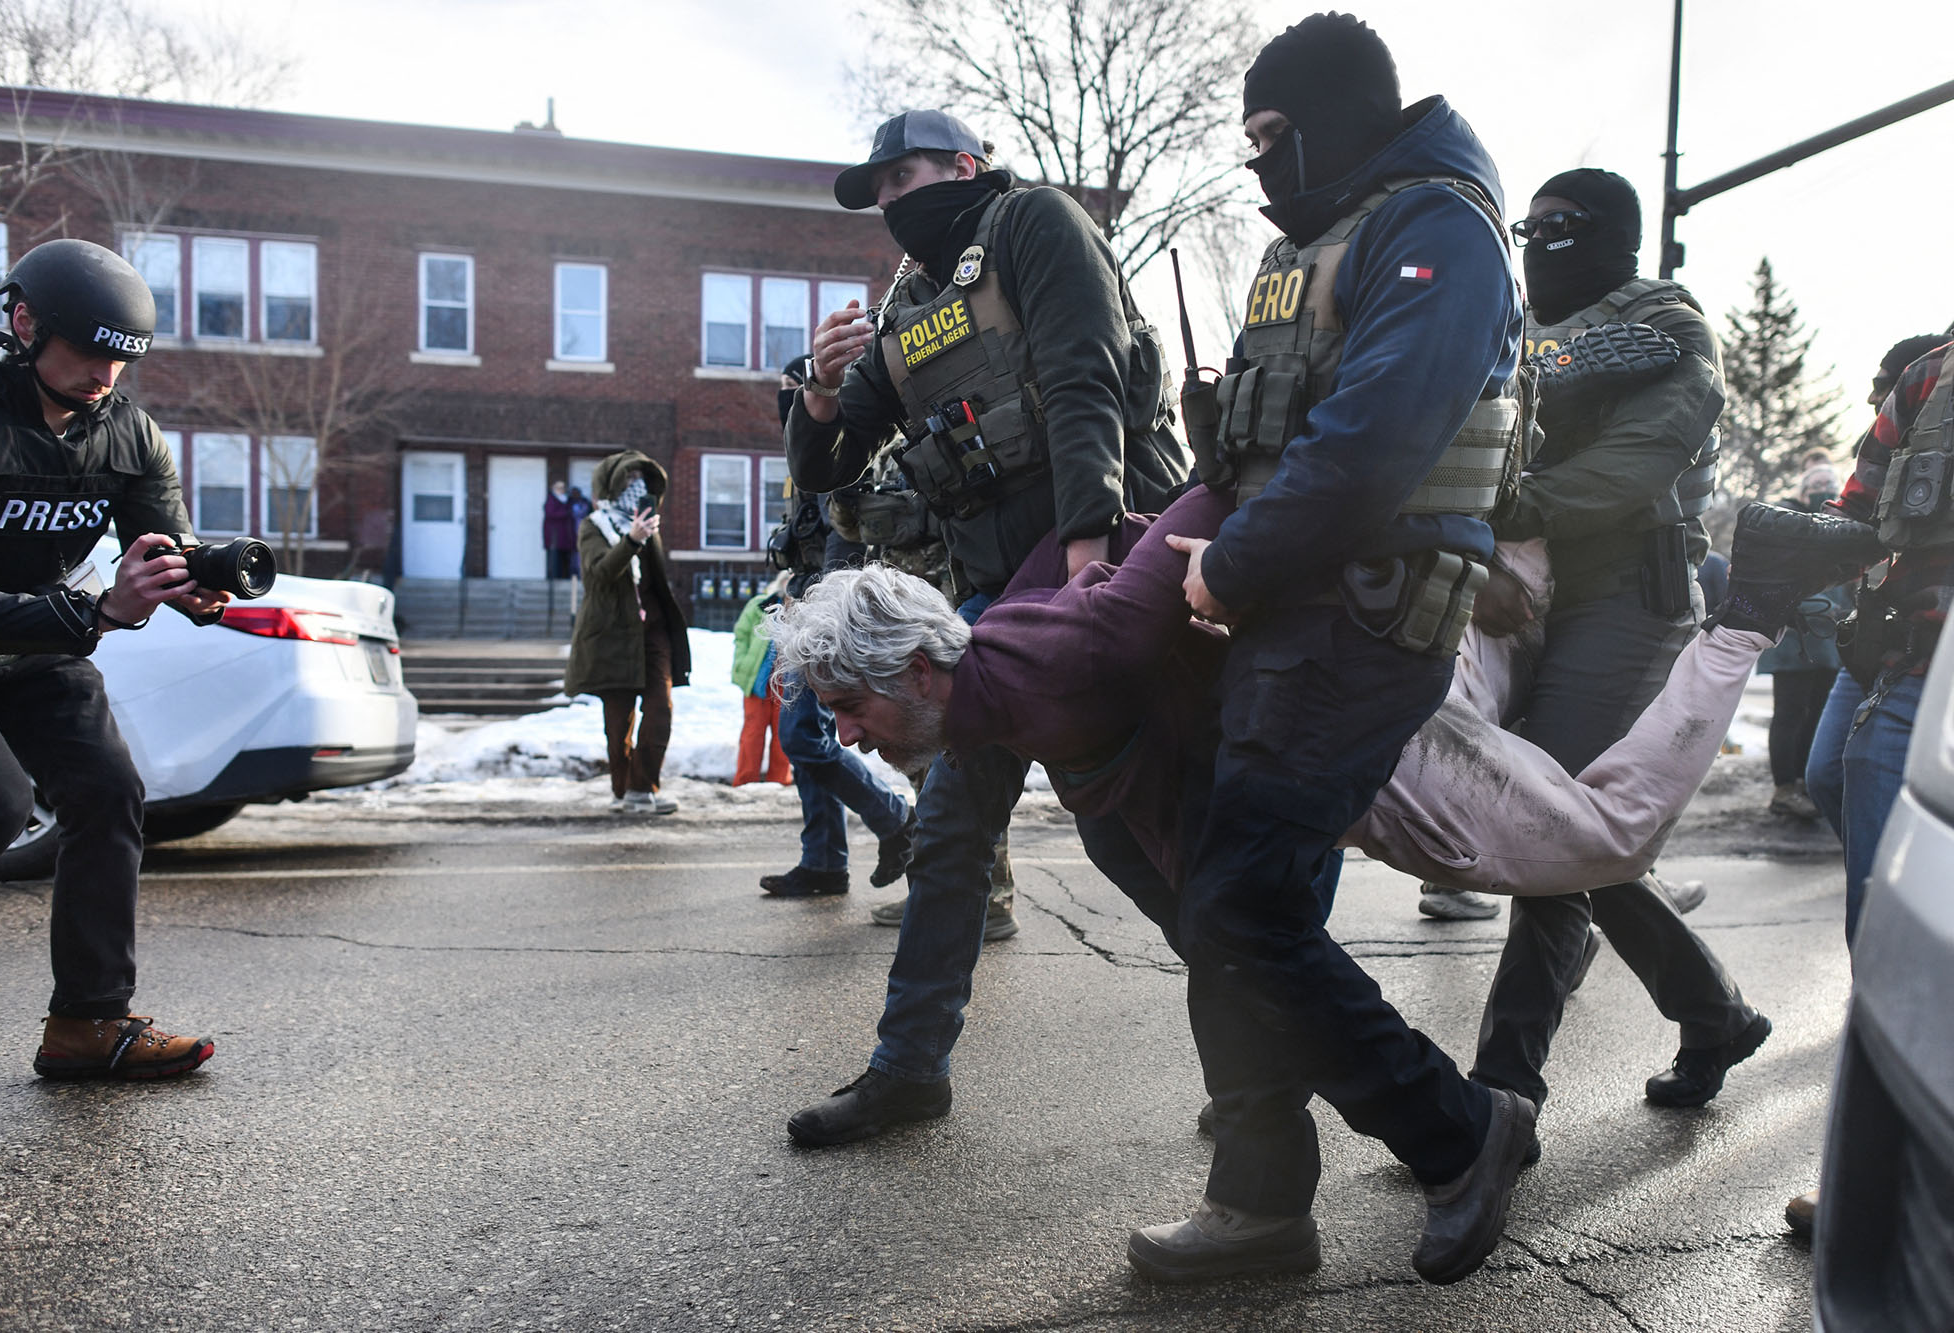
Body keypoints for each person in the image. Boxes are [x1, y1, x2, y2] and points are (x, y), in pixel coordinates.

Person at [768, 490, 1876, 1279]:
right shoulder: (989, 691)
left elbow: (1192, 519)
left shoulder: (1067, 657)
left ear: (915, 671)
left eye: (846, 709)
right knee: (1231, 937)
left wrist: (1241, 510)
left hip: (1367, 745)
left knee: (1600, 843)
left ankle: (1746, 607)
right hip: (1301, 743)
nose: (848, 739)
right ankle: (1268, 1203)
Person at [1128, 13, 1538, 1285]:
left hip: (1360, 616)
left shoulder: (1438, 227)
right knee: (1236, 895)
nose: (1255, 164)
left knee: (1239, 908)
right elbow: (1271, 442)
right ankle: (1258, 1205)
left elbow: (1370, 445)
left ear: (1333, 115)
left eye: (1268, 135)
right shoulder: (1311, 246)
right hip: (1282, 616)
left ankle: (1462, 1128)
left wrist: (1230, 565)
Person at [782, 108, 1187, 1143]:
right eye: (875, 190)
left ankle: (1265, 1049)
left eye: (903, 176)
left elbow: (1082, 375)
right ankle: (907, 1068)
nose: (889, 202)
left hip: (1106, 557)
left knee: (1134, 836)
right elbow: (826, 465)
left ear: (962, 166)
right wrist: (821, 397)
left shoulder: (1031, 226)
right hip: (990, 595)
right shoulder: (910, 305)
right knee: (953, 825)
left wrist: (1093, 555)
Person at [1434, 168, 1769, 1131]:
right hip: (1526, 590)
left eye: (1562, 226)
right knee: (1583, 835)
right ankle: (1715, 1014)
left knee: (1551, 820)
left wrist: (1518, 503)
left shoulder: (1668, 322)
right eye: (1526, 226)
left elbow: (1640, 460)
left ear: (1614, 238)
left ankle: (1503, 1089)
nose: (1538, 241)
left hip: (1629, 590)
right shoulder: (1513, 328)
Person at [0, 238, 223, 1080]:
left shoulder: (128, 432)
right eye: (90, 351)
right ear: (24, 321)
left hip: (39, 642)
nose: (106, 376)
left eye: (122, 359)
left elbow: (162, 541)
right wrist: (100, 610)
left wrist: (194, 584)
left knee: (109, 791)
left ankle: (87, 1025)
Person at [1789, 329, 1952, 1239]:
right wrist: (1793, 559)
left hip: (1930, 672)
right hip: (1894, 645)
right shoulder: (1933, 370)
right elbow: (1859, 503)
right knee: (1830, 779)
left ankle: (1882, 1180)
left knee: (1888, 924)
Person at [761, 358, 916, 899]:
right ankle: (824, 860)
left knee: (803, 736)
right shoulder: (798, 458)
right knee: (810, 738)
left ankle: (896, 819)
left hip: (825, 610)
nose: (787, 397)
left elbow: (843, 538)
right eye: (784, 390)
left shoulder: (836, 449)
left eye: (794, 388)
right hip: (802, 602)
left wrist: (826, 609)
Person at [563, 450, 692, 815]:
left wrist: (644, 535)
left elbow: (655, 580)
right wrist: (631, 540)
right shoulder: (594, 526)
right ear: (611, 485)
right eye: (628, 478)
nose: (635, 485)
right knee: (618, 722)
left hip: (653, 634)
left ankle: (642, 788)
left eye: (641, 478)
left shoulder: (649, 525)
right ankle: (623, 790)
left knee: (660, 710)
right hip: (613, 637)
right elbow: (600, 574)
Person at [1758, 454, 1847, 820]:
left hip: (1830, 635)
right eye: (1816, 486)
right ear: (1802, 489)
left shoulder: (1840, 522)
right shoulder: (1786, 520)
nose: (1823, 491)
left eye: (1829, 486)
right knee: (1791, 713)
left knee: (1819, 713)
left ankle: (1809, 783)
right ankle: (1785, 788)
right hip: (1792, 634)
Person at [730, 573, 792, 787]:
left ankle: (779, 781)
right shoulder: (759, 605)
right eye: (787, 578)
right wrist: (742, 663)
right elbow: (741, 635)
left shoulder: (803, 609)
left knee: (783, 736)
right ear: (780, 582)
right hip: (758, 681)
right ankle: (745, 781)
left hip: (787, 685)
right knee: (752, 734)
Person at [543, 479, 576, 581]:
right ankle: (554, 578)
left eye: (562, 488)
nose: (561, 490)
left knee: (564, 560)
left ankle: (564, 577)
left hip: (566, 537)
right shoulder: (551, 500)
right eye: (558, 488)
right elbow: (551, 514)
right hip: (554, 536)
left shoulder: (567, 500)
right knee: (554, 560)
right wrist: (566, 512)